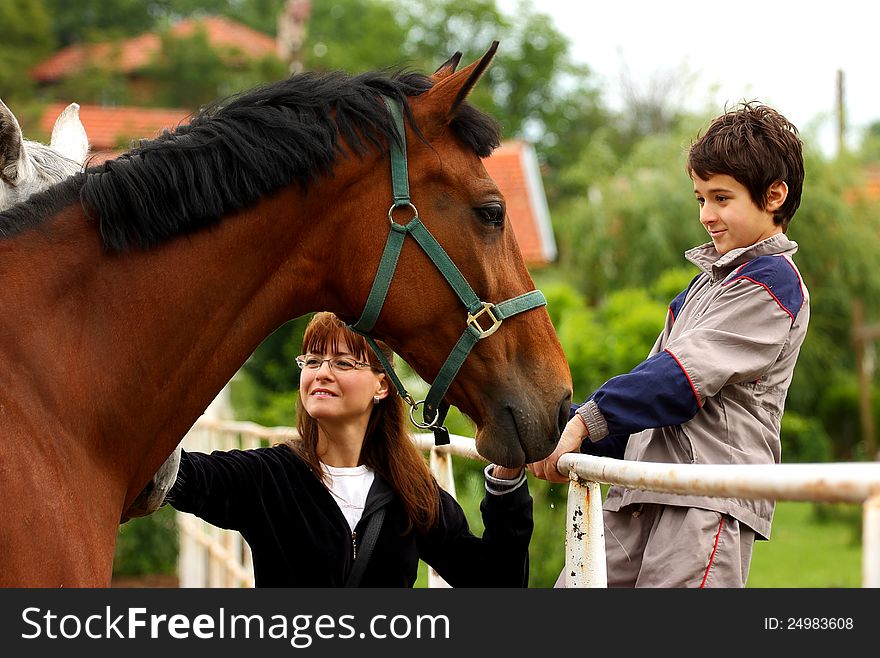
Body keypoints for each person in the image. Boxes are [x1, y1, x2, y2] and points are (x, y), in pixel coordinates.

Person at [529, 101, 809, 588]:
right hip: (642, 487)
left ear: (774, 195)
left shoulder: (773, 282)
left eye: (721, 198)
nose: (706, 214)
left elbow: (679, 382)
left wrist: (588, 418)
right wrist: (569, 435)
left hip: (705, 498)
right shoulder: (702, 288)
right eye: (700, 198)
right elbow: (650, 390)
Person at [164, 311, 533, 587]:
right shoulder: (268, 475)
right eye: (312, 360)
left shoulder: (410, 491)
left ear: (382, 386)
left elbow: (495, 584)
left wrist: (506, 483)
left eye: (342, 362)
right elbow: (178, 476)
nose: (321, 372)